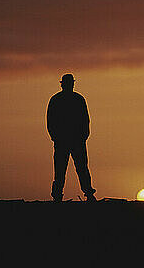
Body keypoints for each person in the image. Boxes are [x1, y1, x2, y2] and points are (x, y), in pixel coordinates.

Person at [46, 74, 96, 202]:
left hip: (75, 140)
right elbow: (51, 120)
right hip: (65, 140)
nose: (69, 85)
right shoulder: (62, 99)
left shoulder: (75, 99)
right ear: (63, 84)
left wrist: (83, 136)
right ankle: (58, 195)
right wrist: (55, 137)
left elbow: (85, 119)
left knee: (80, 168)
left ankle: (88, 193)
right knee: (62, 170)